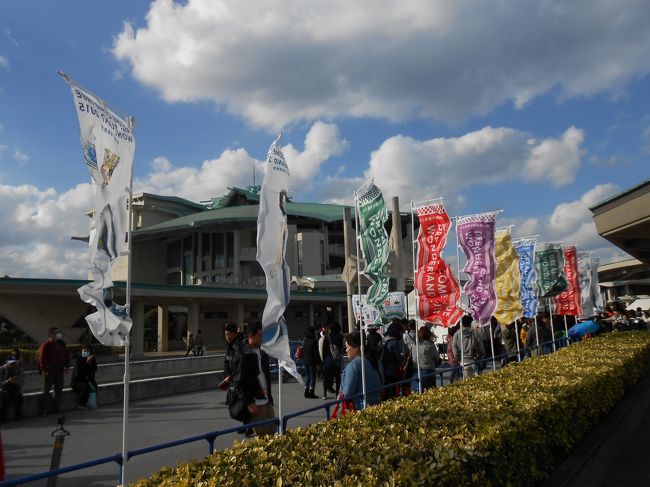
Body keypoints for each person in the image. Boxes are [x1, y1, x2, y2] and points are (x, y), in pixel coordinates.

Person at [227, 322, 275, 437]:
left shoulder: (263, 353)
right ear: (251, 336)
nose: (261, 338)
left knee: (272, 433)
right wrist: (249, 402)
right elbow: (238, 382)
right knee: (263, 438)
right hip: (256, 403)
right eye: (259, 336)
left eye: (262, 335)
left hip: (266, 400)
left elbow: (264, 376)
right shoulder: (243, 355)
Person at [341, 332, 382, 411]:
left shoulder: (353, 366)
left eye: (347, 347)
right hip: (375, 405)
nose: (346, 350)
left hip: (358, 408)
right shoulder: (374, 361)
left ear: (356, 348)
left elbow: (347, 392)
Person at [38, 327, 69, 414]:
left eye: (58, 332)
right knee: (46, 390)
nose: (58, 334)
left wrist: (67, 366)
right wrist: (44, 370)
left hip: (59, 370)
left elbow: (66, 355)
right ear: (51, 334)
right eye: (56, 333)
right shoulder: (46, 345)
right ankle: (45, 409)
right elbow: (42, 359)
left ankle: (55, 407)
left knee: (59, 388)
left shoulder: (62, 343)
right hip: (49, 370)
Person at [410, 326, 439, 392]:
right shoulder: (430, 345)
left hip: (415, 371)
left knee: (417, 393)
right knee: (430, 393)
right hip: (428, 371)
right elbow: (437, 358)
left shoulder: (414, 345)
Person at [71, 345, 98, 409]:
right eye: (84, 351)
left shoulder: (92, 359)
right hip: (77, 382)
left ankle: (91, 402)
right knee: (86, 387)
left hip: (87, 380)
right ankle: (81, 404)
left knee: (94, 385)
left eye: (87, 351)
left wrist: (91, 363)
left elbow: (94, 370)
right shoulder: (79, 360)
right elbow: (78, 374)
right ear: (81, 352)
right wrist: (87, 363)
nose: (86, 352)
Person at [0, 348, 23, 422]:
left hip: (14, 387)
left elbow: (22, 381)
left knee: (19, 396)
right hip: (4, 388)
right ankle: (3, 417)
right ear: (7, 363)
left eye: (14, 363)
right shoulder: (2, 369)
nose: (13, 365)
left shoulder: (18, 369)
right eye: (11, 363)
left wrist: (16, 382)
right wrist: (8, 381)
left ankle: (18, 415)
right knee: (6, 397)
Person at [301, 326, 321, 399]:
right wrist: (319, 362)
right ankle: (311, 392)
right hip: (312, 361)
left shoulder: (305, 340)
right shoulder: (314, 341)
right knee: (313, 377)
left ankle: (306, 391)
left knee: (308, 376)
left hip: (305, 360)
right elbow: (316, 353)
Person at [328, 323, 344, 396]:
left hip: (330, 357)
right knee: (338, 375)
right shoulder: (340, 336)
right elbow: (341, 346)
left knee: (330, 374)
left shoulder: (328, 336)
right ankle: (338, 391)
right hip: (337, 357)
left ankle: (329, 388)